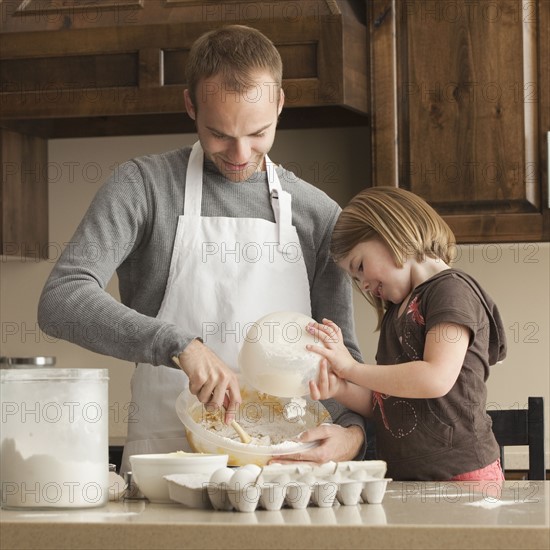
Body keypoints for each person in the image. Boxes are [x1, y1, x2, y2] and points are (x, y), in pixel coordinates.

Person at [37, 25, 366, 473]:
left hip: (283, 471)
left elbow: (342, 360)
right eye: (219, 134)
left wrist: (353, 435)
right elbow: (61, 299)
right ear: (191, 105)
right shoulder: (143, 187)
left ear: (280, 104)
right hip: (167, 469)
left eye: (258, 133)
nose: (239, 152)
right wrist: (180, 346)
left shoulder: (318, 213)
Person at [305, 187, 507, 481]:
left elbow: (434, 378)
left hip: (462, 473)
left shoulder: (451, 290)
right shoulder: (394, 314)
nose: (362, 284)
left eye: (360, 266)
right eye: (355, 278)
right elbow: (384, 404)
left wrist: (351, 367)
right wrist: (339, 389)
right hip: (404, 476)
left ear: (391, 232)